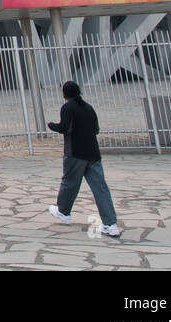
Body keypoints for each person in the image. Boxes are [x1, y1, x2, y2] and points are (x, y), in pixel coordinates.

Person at [46, 80, 120, 236]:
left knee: (69, 183)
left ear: (65, 94)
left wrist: (51, 125)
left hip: (75, 152)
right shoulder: (89, 108)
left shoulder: (67, 108)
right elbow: (96, 129)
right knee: (100, 189)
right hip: (93, 153)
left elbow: (65, 127)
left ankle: (63, 211)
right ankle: (110, 223)